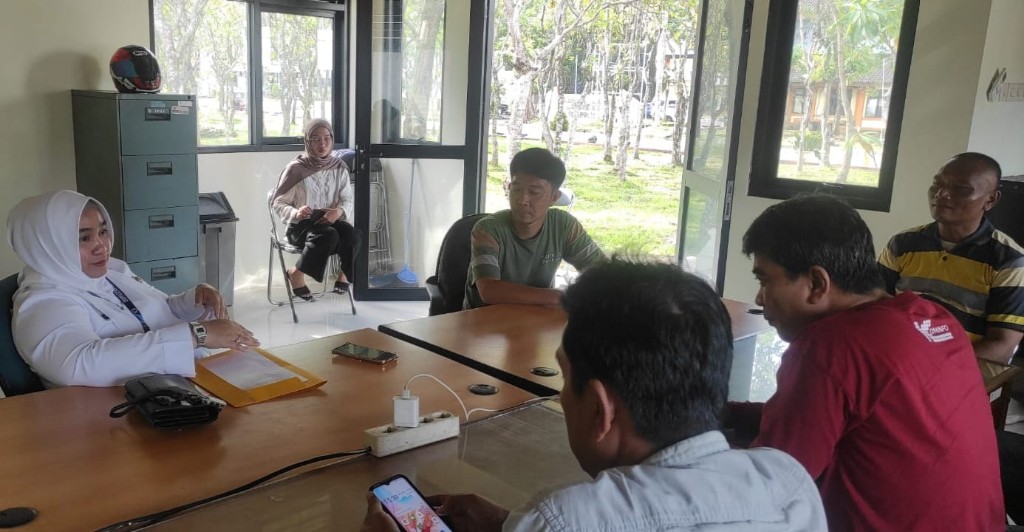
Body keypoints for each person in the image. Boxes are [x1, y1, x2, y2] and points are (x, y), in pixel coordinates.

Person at [363, 258, 828, 531]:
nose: (563, 400)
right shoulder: (788, 480)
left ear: (602, 411)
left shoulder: (561, 518)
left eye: (566, 382)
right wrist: (510, 524)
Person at [731, 194, 1002, 531]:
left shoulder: (829, 347)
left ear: (816, 283)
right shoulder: (935, 319)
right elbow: (827, 420)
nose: (759, 298)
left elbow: (765, 490)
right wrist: (730, 413)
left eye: (764, 281)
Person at [6, 190, 258, 388]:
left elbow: (156, 310)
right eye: (84, 238)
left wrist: (194, 301)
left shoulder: (111, 273)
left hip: (182, 385)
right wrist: (197, 335)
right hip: (120, 415)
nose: (102, 246)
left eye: (103, 231)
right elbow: (77, 364)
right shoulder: (43, 301)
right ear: (46, 244)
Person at [878, 152, 1024, 363]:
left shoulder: (1009, 261)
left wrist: (932, 365)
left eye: (961, 188)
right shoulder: (902, 244)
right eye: (937, 184)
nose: (942, 193)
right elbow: (875, 306)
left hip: (965, 371)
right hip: (899, 361)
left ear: (991, 199)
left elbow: (1001, 345)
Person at [464, 148, 604, 309]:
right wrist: (559, 296)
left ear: (554, 197)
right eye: (516, 189)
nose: (522, 200)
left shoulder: (564, 225)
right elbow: (489, 290)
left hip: (539, 318)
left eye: (534, 192)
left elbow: (603, 272)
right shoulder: (487, 229)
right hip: (483, 320)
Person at [271, 118, 362, 301]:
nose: (322, 144)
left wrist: (338, 211)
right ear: (307, 141)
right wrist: (296, 212)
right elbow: (279, 203)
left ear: (332, 139)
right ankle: (296, 274)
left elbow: (348, 199)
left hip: (331, 222)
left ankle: (344, 275)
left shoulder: (339, 167)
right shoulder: (295, 169)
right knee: (329, 235)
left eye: (326, 138)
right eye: (316, 139)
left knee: (353, 235)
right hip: (301, 226)